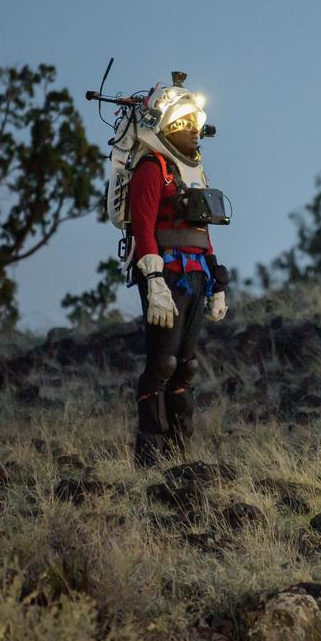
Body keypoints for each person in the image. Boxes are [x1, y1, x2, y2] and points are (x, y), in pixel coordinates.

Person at [121, 72, 230, 465]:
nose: (194, 133)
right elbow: (142, 225)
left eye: (196, 126)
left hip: (197, 273)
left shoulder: (191, 173)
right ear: (165, 126)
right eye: (184, 125)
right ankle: (150, 454)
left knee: (188, 366)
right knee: (163, 363)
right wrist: (153, 281)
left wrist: (217, 281)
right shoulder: (153, 168)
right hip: (165, 273)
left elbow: (203, 231)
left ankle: (181, 456)